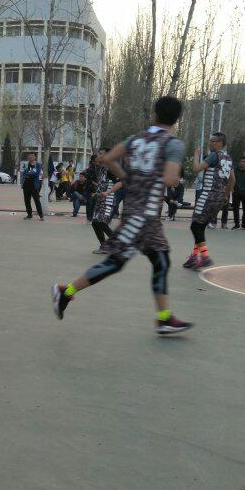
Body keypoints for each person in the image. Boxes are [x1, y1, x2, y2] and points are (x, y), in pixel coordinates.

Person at [51, 96, 192, 335]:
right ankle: (65, 292)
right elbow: (170, 179)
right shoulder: (173, 144)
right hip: (143, 215)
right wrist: (168, 176)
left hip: (143, 215)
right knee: (115, 262)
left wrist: (127, 177)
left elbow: (107, 159)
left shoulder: (135, 139)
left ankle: (164, 318)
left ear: (155, 113)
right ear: (177, 118)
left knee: (161, 261)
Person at [185, 132, 234, 270]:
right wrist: (225, 196)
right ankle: (194, 257)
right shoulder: (228, 158)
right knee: (201, 227)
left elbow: (196, 169)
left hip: (208, 195)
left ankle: (205, 256)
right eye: (210, 140)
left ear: (220, 143)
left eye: (213, 141)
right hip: (219, 197)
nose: (210, 143)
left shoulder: (214, 155)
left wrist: (196, 155)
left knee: (195, 226)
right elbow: (232, 180)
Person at [90, 148, 123, 253]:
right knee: (95, 223)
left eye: (101, 154)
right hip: (101, 200)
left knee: (101, 222)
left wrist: (108, 192)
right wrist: (98, 193)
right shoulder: (102, 168)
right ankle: (104, 247)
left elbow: (121, 182)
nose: (99, 156)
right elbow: (103, 184)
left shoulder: (111, 168)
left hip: (108, 200)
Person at [222, 155, 245, 230]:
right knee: (235, 209)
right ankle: (236, 225)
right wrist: (232, 189)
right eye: (241, 161)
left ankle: (244, 225)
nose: (242, 163)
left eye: (244, 162)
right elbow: (231, 180)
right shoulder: (235, 170)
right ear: (239, 162)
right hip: (236, 193)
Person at [21, 154, 44, 220]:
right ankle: (29, 215)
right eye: (29, 156)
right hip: (26, 184)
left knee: (37, 200)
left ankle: (41, 216)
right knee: (27, 200)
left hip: (34, 185)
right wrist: (31, 173)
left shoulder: (38, 165)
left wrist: (29, 174)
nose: (30, 157)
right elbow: (24, 174)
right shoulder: (26, 165)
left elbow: (37, 174)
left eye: (32, 156)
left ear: (35, 157)